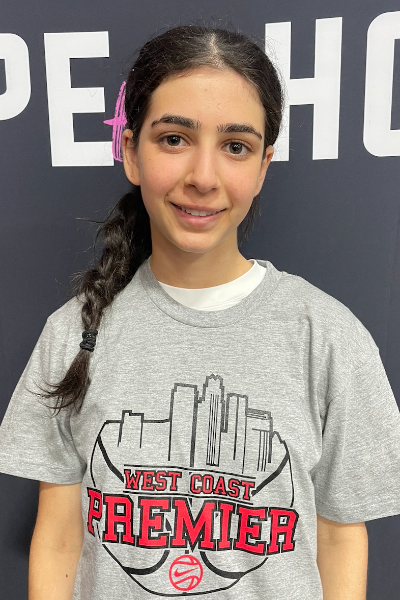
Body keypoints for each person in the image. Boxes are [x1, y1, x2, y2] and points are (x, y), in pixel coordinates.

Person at [0, 24, 400, 600]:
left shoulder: (329, 337)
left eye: (235, 146)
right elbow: (59, 538)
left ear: (263, 167)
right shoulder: (73, 333)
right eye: (174, 139)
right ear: (131, 152)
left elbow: (339, 539)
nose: (203, 178)